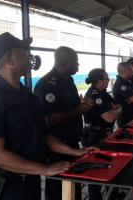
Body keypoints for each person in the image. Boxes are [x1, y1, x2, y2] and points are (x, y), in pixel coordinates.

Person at [0, 32, 96, 200]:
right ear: (9, 59)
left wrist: (74, 151)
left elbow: (43, 134)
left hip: (31, 179)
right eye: (23, 52)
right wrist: (44, 169)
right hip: (8, 186)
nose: (29, 56)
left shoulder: (27, 96)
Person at [34, 46, 93, 200]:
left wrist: (81, 105)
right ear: (64, 62)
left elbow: (70, 108)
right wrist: (79, 110)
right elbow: (49, 119)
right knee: (58, 191)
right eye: (76, 62)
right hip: (57, 149)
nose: (78, 66)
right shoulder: (47, 84)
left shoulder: (68, 81)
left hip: (72, 145)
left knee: (74, 188)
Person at [82, 68, 122, 200]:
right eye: (106, 79)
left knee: (110, 166)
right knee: (96, 172)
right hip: (95, 136)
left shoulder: (103, 94)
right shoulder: (95, 96)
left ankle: (113, 195)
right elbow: (110, 118)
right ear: (99, 80)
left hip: (105, 134)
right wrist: (115, 113)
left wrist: (114, 112)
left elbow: (119, 107)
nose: (108, 81)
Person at [113, 62, 133, 127]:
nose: (132, 71)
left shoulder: (128, 82)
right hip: (127, 119)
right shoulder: (121, 84)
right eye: (130, 69)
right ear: (124, 71)